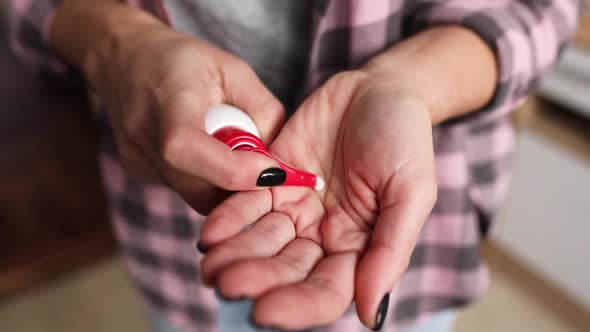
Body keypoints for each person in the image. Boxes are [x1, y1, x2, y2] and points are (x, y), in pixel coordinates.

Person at [7, 0, 583, 331]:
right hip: (178, 245)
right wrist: (117, 43)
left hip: (409, 246)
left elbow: (544, 8)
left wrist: (409, 83)